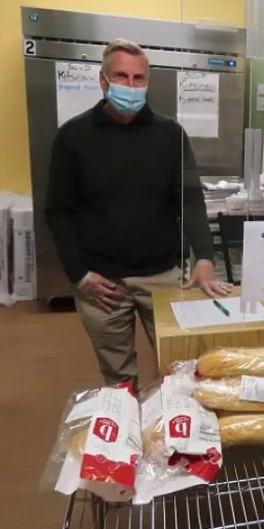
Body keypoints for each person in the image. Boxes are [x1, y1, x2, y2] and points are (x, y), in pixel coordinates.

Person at [45, 38, 231, 388]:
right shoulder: (72, 137)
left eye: (138, 79)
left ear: (147, 82)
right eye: (121, 76)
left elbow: (190, 199)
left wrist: (205, 257)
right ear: (103, 81)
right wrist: (79, 273)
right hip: (101, 283)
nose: (130, 86)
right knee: (119, 378)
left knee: (185, 368)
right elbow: (58, 210)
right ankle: (130, 435)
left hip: (161, 275)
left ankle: (176, 438)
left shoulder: (170, 134)